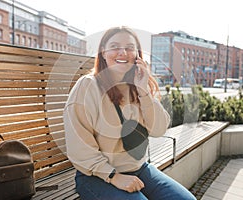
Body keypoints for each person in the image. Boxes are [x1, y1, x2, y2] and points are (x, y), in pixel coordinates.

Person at [63, 26, 196, 200]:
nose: (122, 52)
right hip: (95, 176)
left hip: (140, 169)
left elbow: (159, 129)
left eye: (129, 48)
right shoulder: (87, 86)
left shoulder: (138, 85)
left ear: (137, 55)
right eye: (115, 46)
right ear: (103, 52)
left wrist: (144, 92)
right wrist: (113, 176)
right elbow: (78, 146)